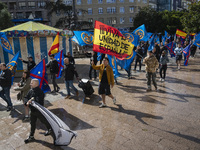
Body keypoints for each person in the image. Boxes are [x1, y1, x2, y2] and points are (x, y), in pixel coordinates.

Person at [24, 79, 52, 144]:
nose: (30, 84)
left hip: (38, 111)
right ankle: (31, 136)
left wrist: (31, 101)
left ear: (36, 84)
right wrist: (26, 102)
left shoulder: (40, 92)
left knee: (43, 120)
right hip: (33, 111)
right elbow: (26, 97)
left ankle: (49, 129)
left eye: (32, 83)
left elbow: (39, 102)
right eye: (30, 83)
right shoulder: (30, 90)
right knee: (32, 123)